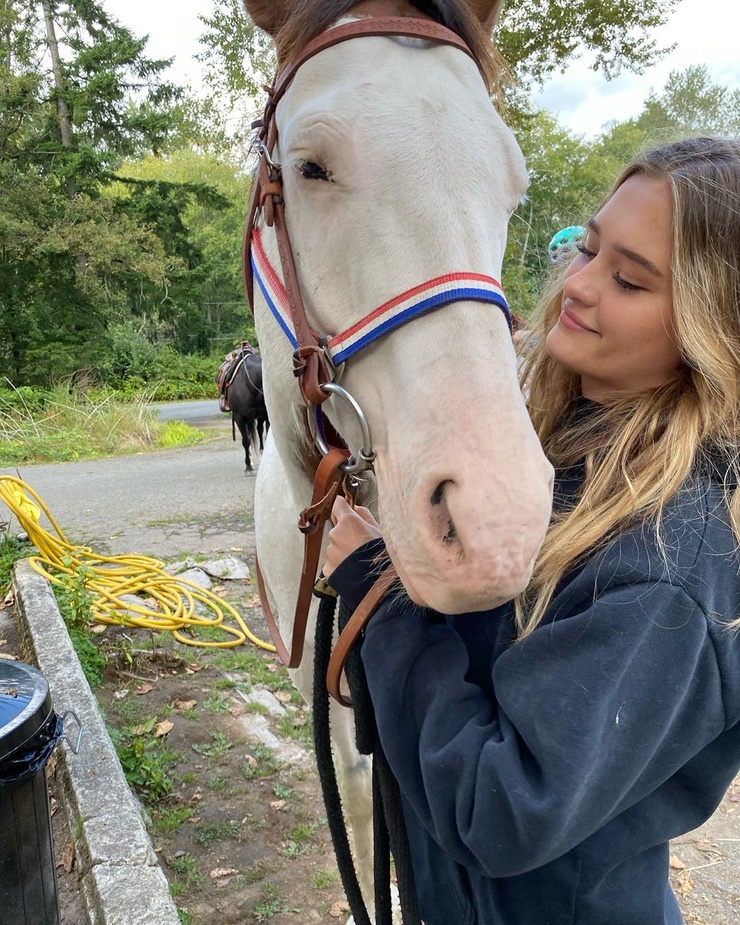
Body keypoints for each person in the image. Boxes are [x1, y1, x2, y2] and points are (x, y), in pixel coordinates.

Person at [321, 137, 740, 925]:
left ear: (709, 324)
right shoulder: (556, 455)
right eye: (589, 247)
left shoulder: (669, 566)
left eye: (627, 278)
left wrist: (381, 592)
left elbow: (503, 806)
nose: (576, 284)